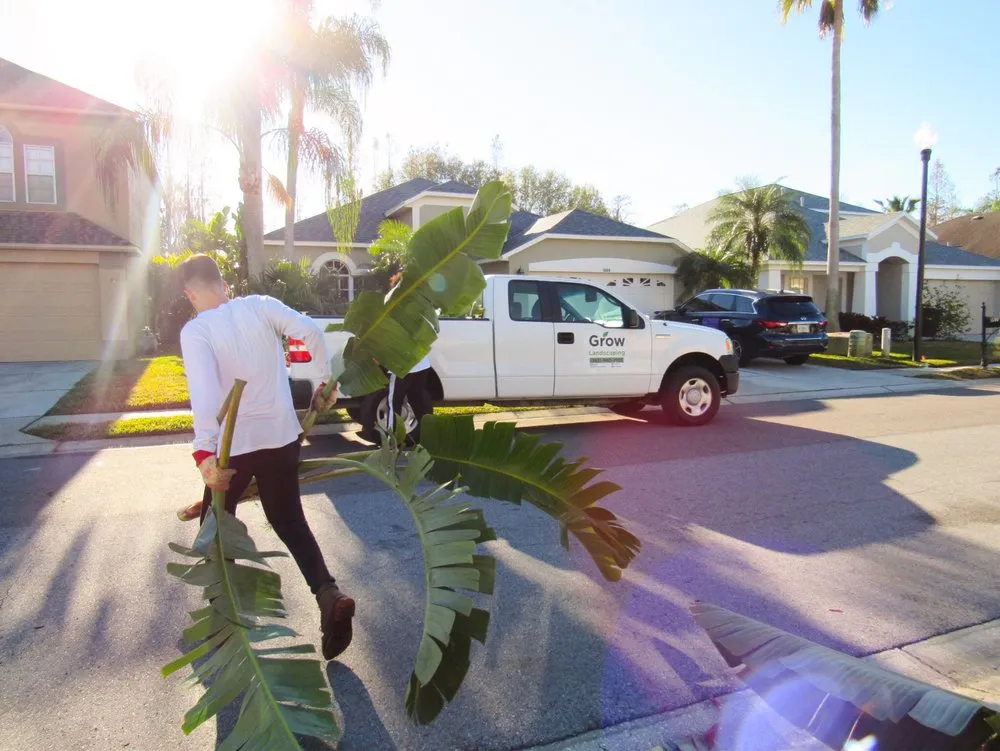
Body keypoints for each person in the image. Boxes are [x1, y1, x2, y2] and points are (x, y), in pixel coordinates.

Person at [177, 254, 354, 661]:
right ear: (223, 283)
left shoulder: (197, 330)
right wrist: (324, 381)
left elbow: (203, 395)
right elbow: (310, 330)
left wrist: (205, 454)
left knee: (217, 526)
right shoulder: (259, 306)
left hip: (231, 448)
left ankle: (225, 620)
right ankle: (329, 595)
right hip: (280, 438)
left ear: (190, 293)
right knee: (289, 520)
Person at [380, 272, 434, 444]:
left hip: (403, 365)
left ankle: (391, 441)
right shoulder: (421, 305)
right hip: (421, 363)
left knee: (393, 402)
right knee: (418, 400)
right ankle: (429, 439)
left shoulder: (394, 306)